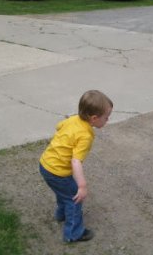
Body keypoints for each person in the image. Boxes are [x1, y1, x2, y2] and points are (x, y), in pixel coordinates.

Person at [39, 90, 113, 243]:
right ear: (94, 118)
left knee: (64, 193)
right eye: (106, 117)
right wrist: (82, 185)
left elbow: (58, 126)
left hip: (45, 164)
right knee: (74, 199)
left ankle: (61, 215)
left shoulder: (73, 119)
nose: (108, 120)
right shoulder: (85, 136)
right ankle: (73, 233)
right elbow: (76, 161)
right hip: (58, 171)